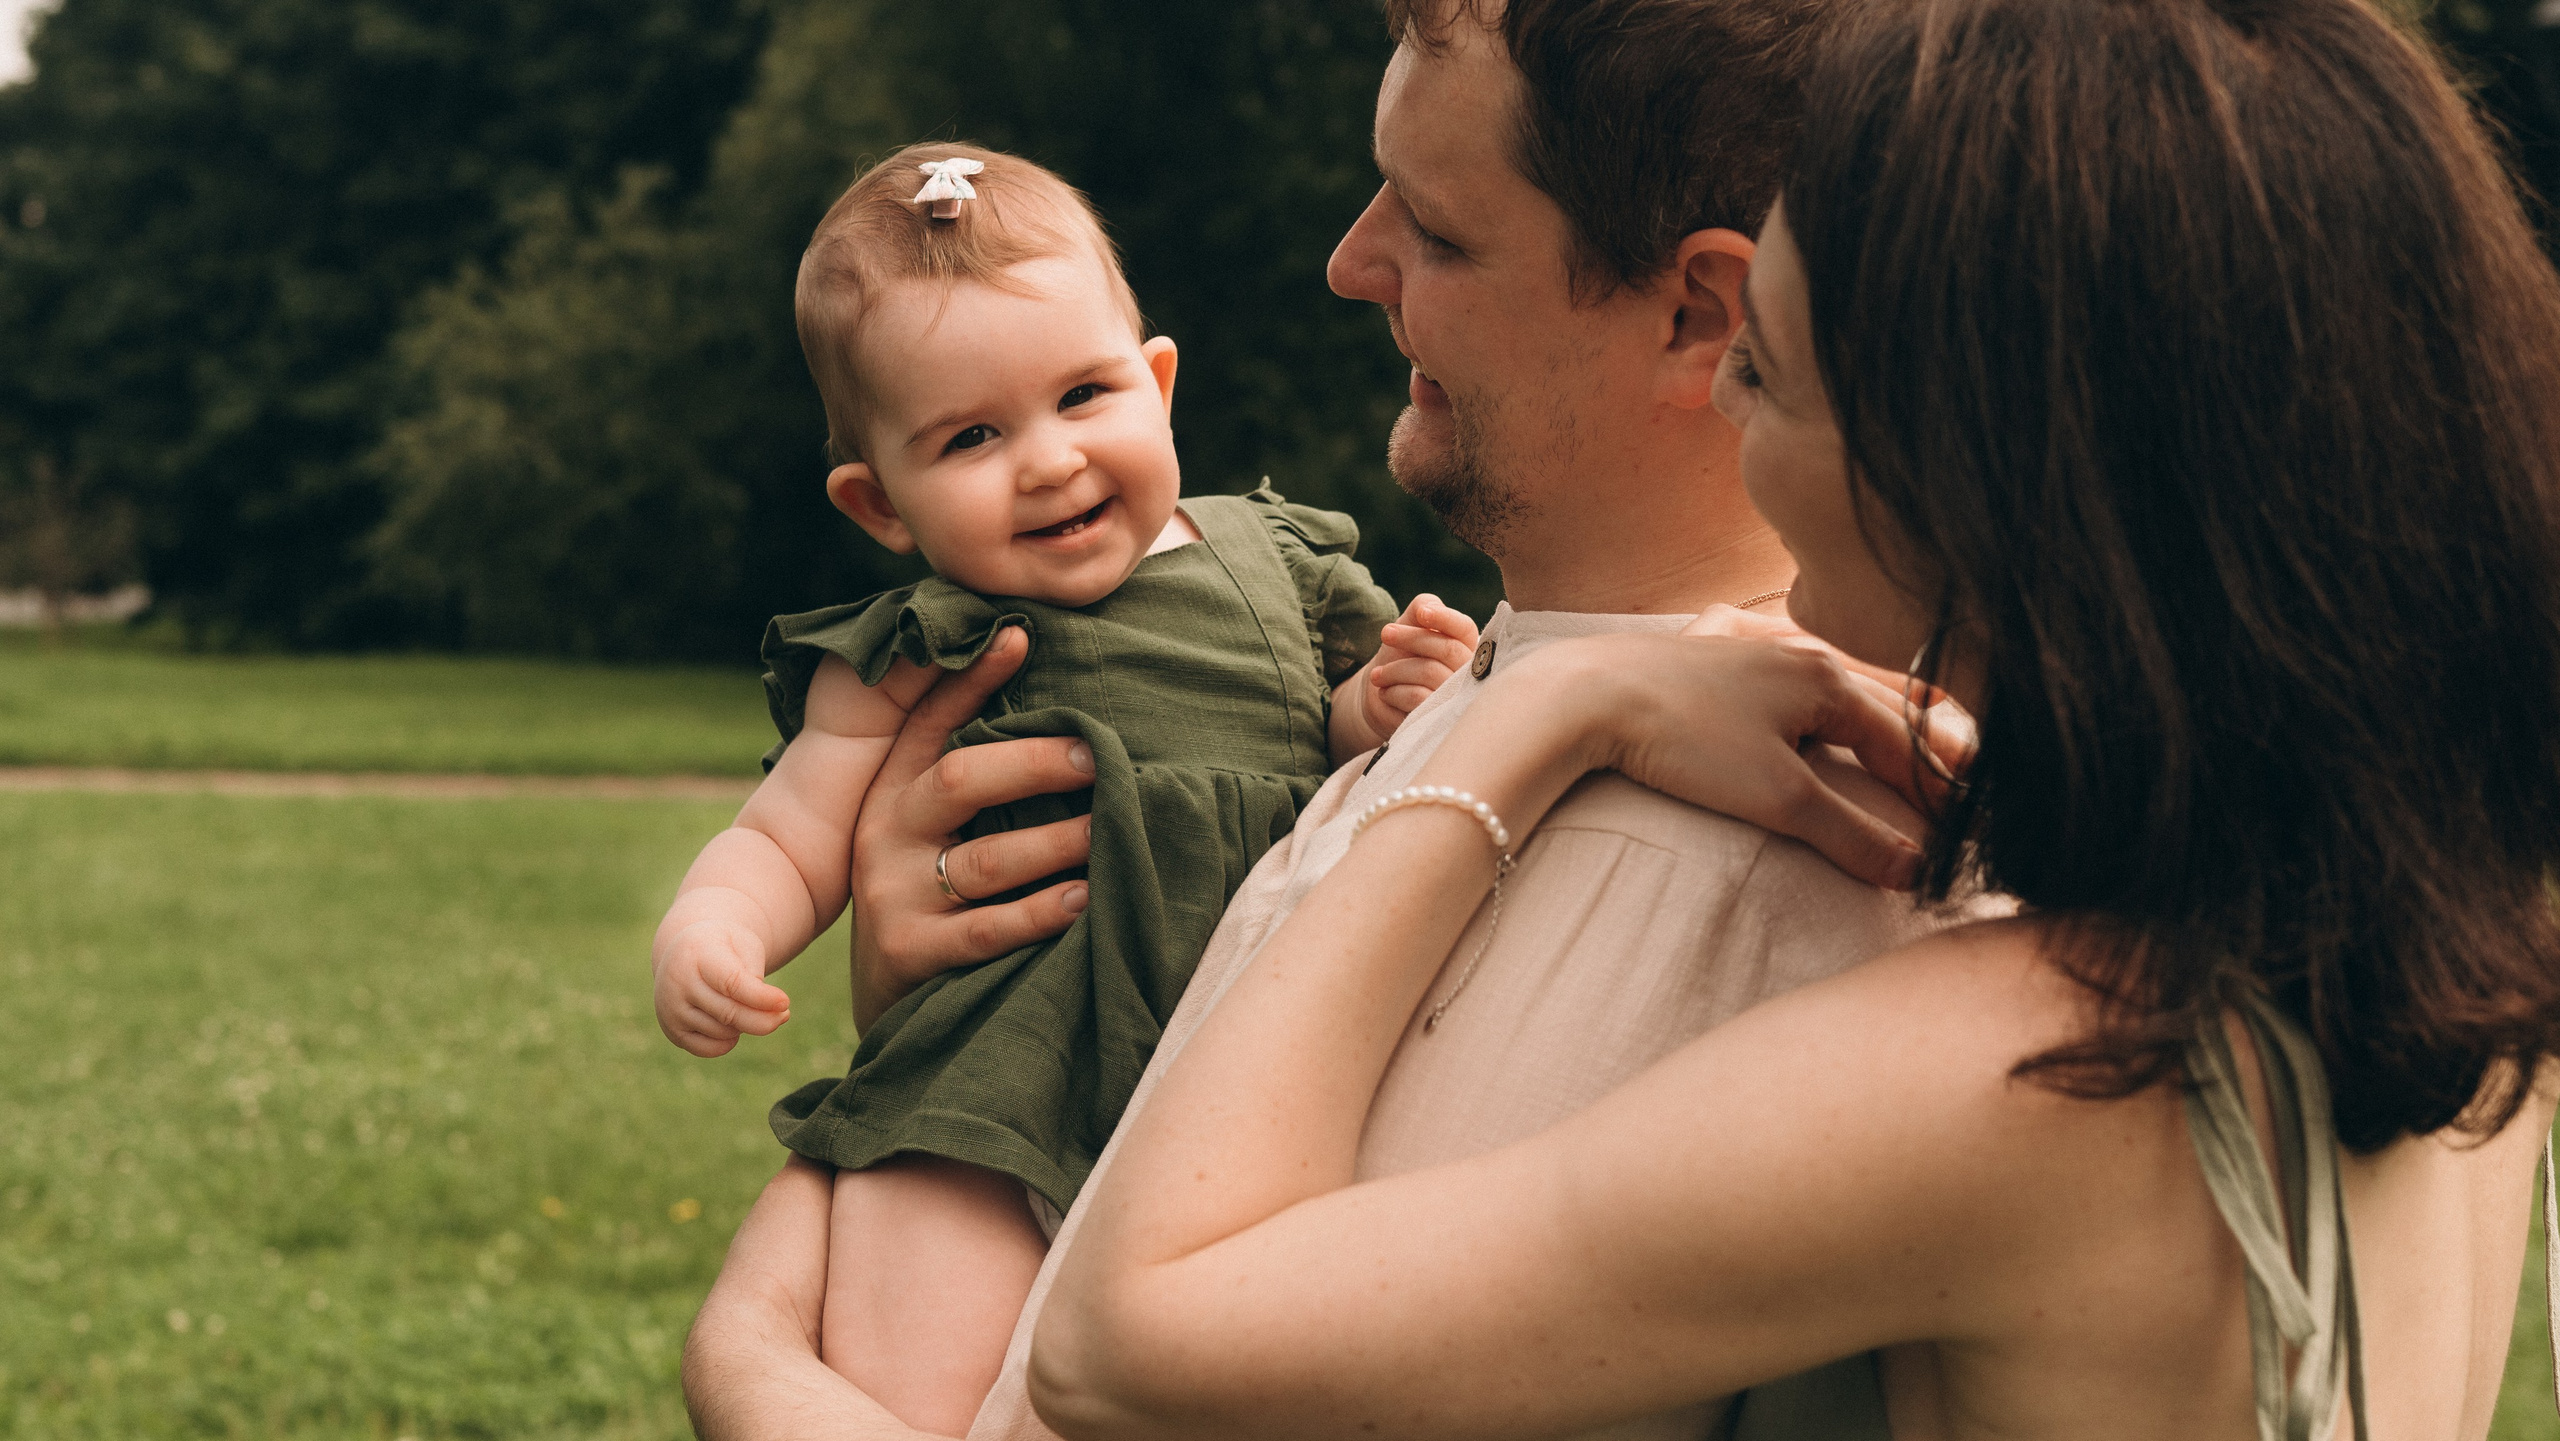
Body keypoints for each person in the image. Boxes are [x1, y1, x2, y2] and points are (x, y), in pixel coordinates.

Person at [1028, 0, 2560, 1434]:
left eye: (1775, 369)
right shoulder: (2464, 952)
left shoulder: (2017, 1071)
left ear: (1989, 478)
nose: (1741, 426)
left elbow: (1130, 1338)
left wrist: (1551, 709)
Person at [681, 3, 1998, 1438]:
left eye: (1436, 231)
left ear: (1697, 313)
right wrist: (932, 997)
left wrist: (754, 1354)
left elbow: (1130, 1374)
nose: (1349, 262)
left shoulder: (1772, 855)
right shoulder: (1477, 685)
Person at [647, 141, 1481, 1435]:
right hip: (984, 1095)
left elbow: (1344, 734)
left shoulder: (1281, 561)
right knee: (921, 1398)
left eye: (1083, 395)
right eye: (972, 435)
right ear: (881, 503)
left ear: (1156, 382)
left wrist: (1382, 703)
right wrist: (715, 926)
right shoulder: (916, 646)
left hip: (1246, 1081)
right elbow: (792, 829)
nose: (1047, 460)